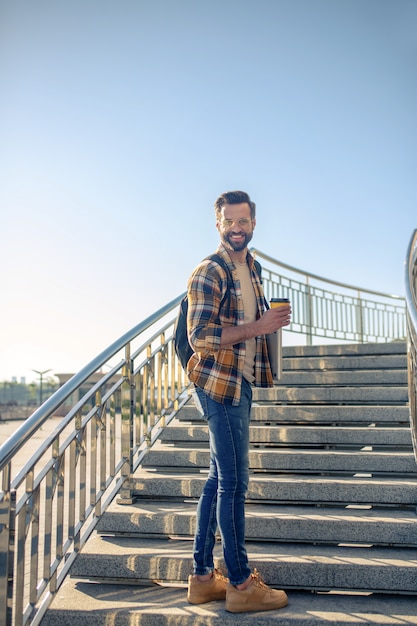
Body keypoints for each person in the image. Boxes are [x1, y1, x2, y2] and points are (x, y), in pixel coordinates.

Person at [185, 190, 291, 613]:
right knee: (234, 482)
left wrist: (270, 326)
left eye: (243, 221)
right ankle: (242, 584)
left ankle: (202, 578)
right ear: (218, 225)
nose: (236, 228)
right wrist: (258, 325)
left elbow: (255, 324)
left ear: (253, 224)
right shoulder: (208, 272)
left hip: (241, 381)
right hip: (218, 385)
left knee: (217, 480)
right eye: (229, 221)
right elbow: (201, 337)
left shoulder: (254, 268)